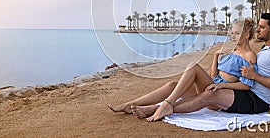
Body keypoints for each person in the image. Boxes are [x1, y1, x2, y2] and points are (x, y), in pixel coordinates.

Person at [134, 13, 270, 121]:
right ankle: (133, 104)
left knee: (209, 95)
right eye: (257, 26)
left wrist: (254, 77)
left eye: (262, 27)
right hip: (244, 92)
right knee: (175, 85)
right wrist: (217, 58)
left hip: (256, 100)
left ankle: (160, 107)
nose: (258, 30)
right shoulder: (266, 49)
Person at [108, 18, 257, 121]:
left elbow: (246, 85)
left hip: (216, 96)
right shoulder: (231, 52)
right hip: (211, 86)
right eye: (231, 33)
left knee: (193, 66)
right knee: (172, 85)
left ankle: (167, 104)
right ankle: (131, 104)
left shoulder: (249, 56)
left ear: (247, 34)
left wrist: (221, 85)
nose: (232, 36)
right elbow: (213, 77)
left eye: (237, 33)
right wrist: (215, 58)